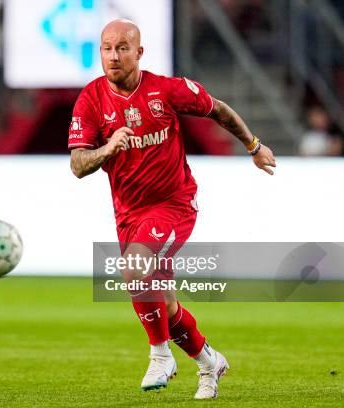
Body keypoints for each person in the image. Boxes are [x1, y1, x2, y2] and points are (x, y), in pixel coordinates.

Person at [68, 19, 276, 400]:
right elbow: (79, 165)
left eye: (122, 48)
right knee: (163, 302)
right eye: (107, 48)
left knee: (134, 267)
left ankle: (160, 355)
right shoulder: (91, 100)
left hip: (175, 203)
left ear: (139, 52)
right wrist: (106, 149)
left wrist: (253, 146)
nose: (113, 56)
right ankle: (209, 362)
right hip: (129, 213)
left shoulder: (166, 90)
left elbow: (219, 110)